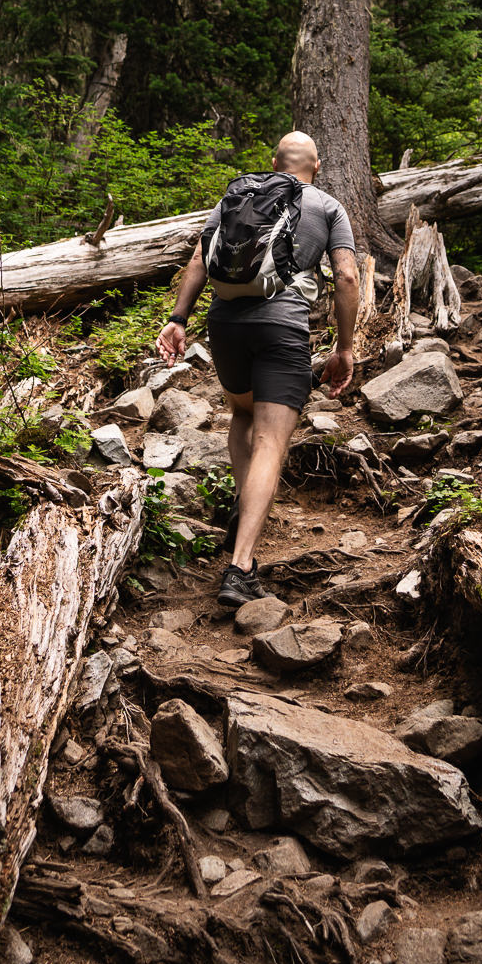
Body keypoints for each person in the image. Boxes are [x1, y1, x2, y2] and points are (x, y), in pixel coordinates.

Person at [155, 130, 359, 608]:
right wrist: (344, 348)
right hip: (282, 328)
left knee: (243, 416)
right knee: (271, 440)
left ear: (273, 162)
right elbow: (347, 275)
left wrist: (177, 319)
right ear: (318, 165)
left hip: (226, 326)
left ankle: (244, 508)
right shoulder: (327, 205)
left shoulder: (237, 196)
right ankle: (241, 567)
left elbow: (200, 260)